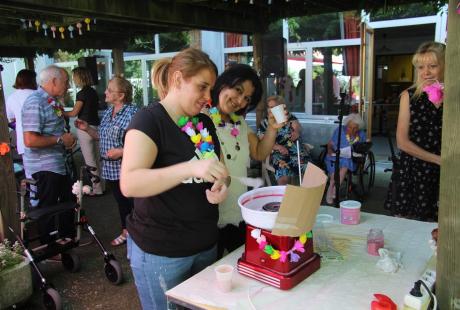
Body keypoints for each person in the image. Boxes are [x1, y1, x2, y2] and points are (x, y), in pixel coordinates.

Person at [119, 48, 229, 310]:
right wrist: (190, 169)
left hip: (204, 244)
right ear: (178, 79)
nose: (208, 98)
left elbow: (219, 171)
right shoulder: (149, 120)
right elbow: (129, 183)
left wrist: (221, 185)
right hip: (161, 252)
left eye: (210, 90)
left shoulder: (203, 122)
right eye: (202, 87)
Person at [208, 64, 285, 258]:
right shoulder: (201, 119)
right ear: (224, 83)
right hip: (210, 218)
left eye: (247, 98)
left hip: (237, 211)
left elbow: (259, 152)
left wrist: (273, 128)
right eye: (238, 90)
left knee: (247, 263)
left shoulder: (239, 123)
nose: (240, 101)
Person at [384, 42, 444, 221]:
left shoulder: (453, 97)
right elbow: (402, 142)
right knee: (407, 227)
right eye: (421, 67)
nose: (426, 72)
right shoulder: (408, 96)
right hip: (413, 171)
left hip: (442, 174)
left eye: (433, 66)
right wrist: (439, 160)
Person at [74, 76, 138, 246]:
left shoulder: (133, 113)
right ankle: (127, 232)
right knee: (122, 204)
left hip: (127, 169)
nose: (105, 92)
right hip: (110, 170)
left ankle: (138, 236)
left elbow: (143, 142)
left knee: (135, 204)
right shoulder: (109, 112)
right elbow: (100, 137)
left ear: (121, 95)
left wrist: (122, 151)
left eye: (110, 90)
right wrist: (87, 128)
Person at [22, 65, 77, 242]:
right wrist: (61, 139)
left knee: (65, 204)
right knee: (48, 208)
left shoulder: (50, 101)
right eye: (66, 81)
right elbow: (30, 140)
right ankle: (49, 246)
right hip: (44, 168)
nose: (68, 86)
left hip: (58, 164)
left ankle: (65, 241)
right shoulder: (35, 102)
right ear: (54, 81)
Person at [65, 67, 103, 195]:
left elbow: (74, 112)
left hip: (84, 127)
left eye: (74, 76)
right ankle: (101, 186)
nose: (73, 79)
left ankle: (96, 189)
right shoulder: (93, 91)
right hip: (96, 126)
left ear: (79, 77)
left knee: (90, 161)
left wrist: (59, 112)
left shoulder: (81, 93)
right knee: (98, 158)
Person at [258, 95, 310, 185]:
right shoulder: (265, 123)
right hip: (278, 154)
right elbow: (262, 141)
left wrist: (296, 132)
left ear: (281, 107)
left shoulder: (290, 118)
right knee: (283, 176)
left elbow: (297, 129)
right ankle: (284, 197)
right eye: (269, 107)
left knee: (310, 172)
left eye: (273, 107)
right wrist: (277, 147)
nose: (270, 110)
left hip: (295, 152)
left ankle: (305, 196)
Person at [324, 113, 366, 205]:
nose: (352, 130)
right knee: (337, 163)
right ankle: (332, 186)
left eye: (355, 128)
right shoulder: (339, 130)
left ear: (358, 128)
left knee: (345, 162)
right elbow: (330, 144)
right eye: (350, 127)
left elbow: (363, 148)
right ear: (346, 125)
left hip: (351, 159)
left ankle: (333, 188)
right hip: (335, 156)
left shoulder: (361, 134)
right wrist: (330, 150)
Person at [6, 69, 37, 167]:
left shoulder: (12, 97)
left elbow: (10, 118)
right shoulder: (39, 94)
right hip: (43, 139)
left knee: (30, 173)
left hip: (23, 140)